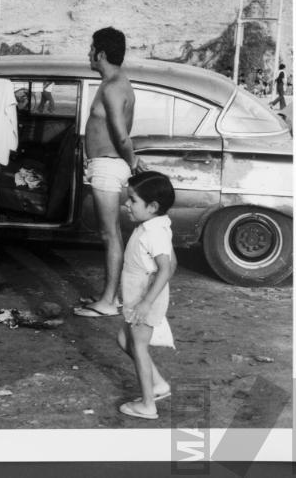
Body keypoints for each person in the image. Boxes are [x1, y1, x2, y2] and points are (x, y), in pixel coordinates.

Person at [74, 27, 143, 318]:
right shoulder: (115, 83)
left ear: (101, 53)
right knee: (110, 233)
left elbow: (120, 134)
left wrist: (133, 160)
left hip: (108, 165)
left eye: (92, 49)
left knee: (110, 234)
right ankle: (110, 295)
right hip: (104, 165)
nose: (89, 53)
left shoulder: (113, 86)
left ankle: (108, 301)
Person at [116, 171, 177, 420]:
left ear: (152, 206)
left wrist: (147, 302)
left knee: (138, 347)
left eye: (132, 200)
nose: (126, 204)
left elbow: (165, 269)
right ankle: (158, 384)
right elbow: (172, 264)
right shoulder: (154, 225)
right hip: (137, 296)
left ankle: (148, 404)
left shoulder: (154, 233)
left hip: (144, 299)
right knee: (124, 340)